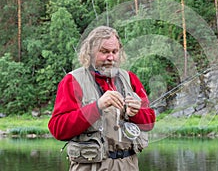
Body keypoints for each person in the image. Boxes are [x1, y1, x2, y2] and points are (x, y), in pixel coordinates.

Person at [48, 26, 156, 171]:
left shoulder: (130, 78)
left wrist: (136, 113)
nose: (110, 57)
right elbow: (58, 129)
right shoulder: (72, 81)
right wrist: (97, 107)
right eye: (104, 52)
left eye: (114, 52)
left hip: (129, 165)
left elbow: (149, 123)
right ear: (90, 53)